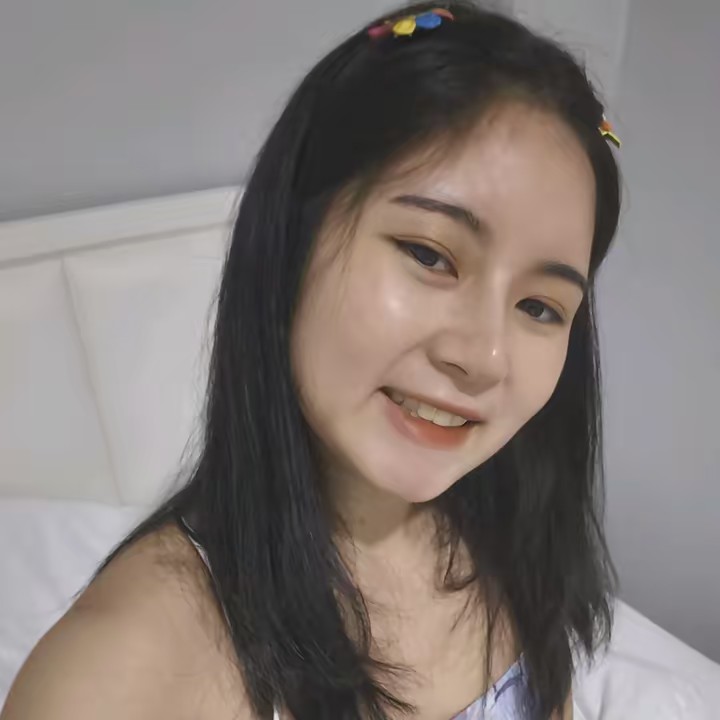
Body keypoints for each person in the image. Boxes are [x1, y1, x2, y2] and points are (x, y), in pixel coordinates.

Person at [1, 2, 622, 718]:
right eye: (429, 256)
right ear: (291, 241)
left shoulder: (512, 539)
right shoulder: (112, 677)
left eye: (540, 307)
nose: (484, 357)